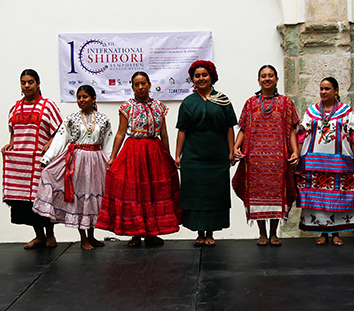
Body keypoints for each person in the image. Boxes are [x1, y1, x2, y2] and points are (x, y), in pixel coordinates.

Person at [96, 71, 181, 246]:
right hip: (133, 151)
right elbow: (120, 133)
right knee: (134, 192)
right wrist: (113, 157)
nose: (141, 87)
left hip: (154, 151)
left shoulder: (159, 106)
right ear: (132, 87)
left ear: (149, 85)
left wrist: (168, 155)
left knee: (153, 192)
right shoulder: (127, 107)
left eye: (143, 83)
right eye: (137, 84)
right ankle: (135, 233)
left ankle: (152, 233)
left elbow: (164, 133)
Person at [33, 85, 112, 250]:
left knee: (93, 198)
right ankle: (83, 238)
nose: (81, 100)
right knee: (80, 197)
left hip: (97, 160)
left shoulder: (104, 120)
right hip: (78, 161)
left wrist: (111, 161)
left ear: (94, 99)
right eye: (79, 97)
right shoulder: (71, 118)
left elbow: (107, 143)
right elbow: (60, 140)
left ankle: (92, 235)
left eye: (85, 97)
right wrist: (47, 159)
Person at [233, 65, 300, 246]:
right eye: (263, 76)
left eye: (271, 76)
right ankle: (262, 233)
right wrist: (235, 147)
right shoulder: (250, 103)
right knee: (257, 197)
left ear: (277, 79)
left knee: (278, 196)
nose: (267, 79)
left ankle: (274, 233)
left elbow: (292, 130)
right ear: (258, 80)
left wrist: (295, 151)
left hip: (278, 159)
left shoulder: (286, 103)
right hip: (254, 159)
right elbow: (243, 129)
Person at [175, 60, 237, 247]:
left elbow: (229, 128)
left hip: (217, 155)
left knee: (214, 194)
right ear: (192, 80)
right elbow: (182, 131)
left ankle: (210, 233)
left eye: (204, 75)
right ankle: (199, 233)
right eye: (197, 76)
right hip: (193, 155)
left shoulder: (223, 100)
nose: (201, 78)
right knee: (196, 193)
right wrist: (178, 155)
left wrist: (232, 150)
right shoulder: (188, 102)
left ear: (212, 77)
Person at [296, 77, 354, 245]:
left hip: (340, 162)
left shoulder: (346, 112)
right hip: (314, 162)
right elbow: (302, 134)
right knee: (319, 198)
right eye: (321, 88)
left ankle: (336, 234)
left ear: (336, 91)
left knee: (338, 197)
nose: (323, 92)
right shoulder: (311, 112)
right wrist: (296, 154)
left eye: (327, 88)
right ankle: (322, 233)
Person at [2, 69, 62, 249]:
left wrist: (49, 143)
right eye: (23, 82)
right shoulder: (15, 107)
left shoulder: (48, 106)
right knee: (26, 202)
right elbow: (14, 132)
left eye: (30, 82)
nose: (27, 85)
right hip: (21, 164)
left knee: (43, 197)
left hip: (41, 162)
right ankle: (39, 236)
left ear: (38, 84)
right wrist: (10, 144)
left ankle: (50, 235)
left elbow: (60, 132)